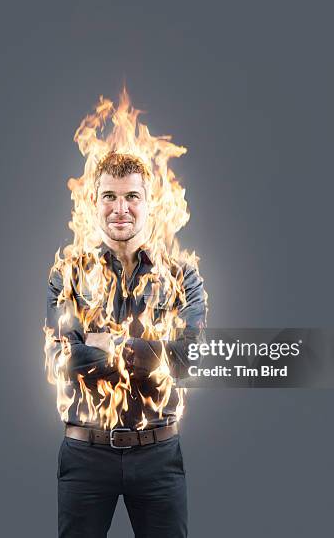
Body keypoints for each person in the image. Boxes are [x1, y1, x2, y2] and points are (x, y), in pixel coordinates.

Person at [46, 151, 207, 537]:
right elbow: (63, 361)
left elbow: (186, 359)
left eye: (132, 196)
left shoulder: (182, 276)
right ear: (94, 203)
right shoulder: (68, 274)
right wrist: (151, 347)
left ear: (150, 202)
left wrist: (106, 344)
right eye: (110, 196)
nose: (121, 208)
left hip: (159, 454)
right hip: (85, 455)